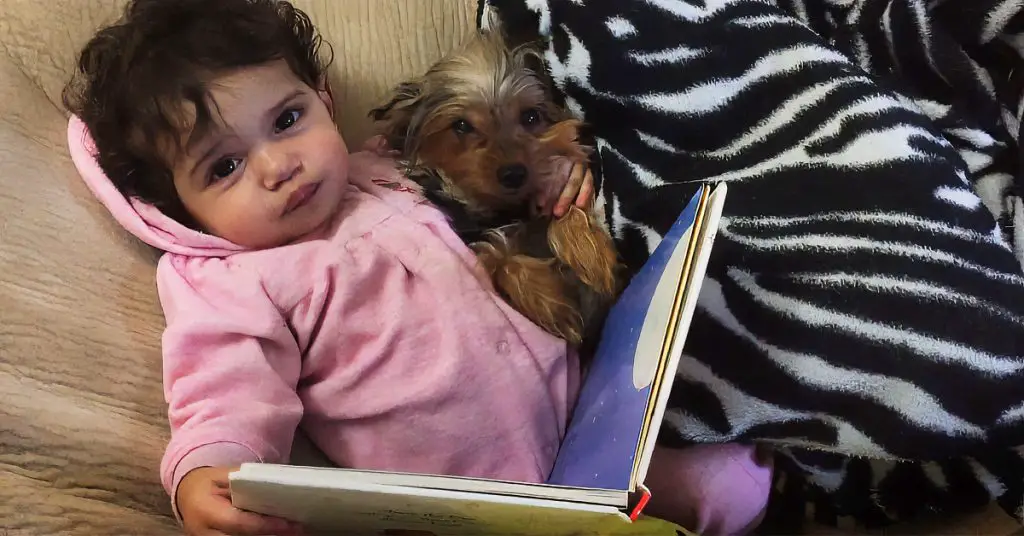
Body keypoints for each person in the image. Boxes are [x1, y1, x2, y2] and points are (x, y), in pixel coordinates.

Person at [62, 1, 772, 534]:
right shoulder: (227, 281)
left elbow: (500, 174)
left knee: (736, 484)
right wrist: (204, 472)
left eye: (286, 120)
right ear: (179, 209)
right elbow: (220, 389)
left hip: (595, 436)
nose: (280, 166)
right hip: (469, 506)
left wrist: (560, 181)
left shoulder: (389, 169)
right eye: (224, 165)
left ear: (324, 101)